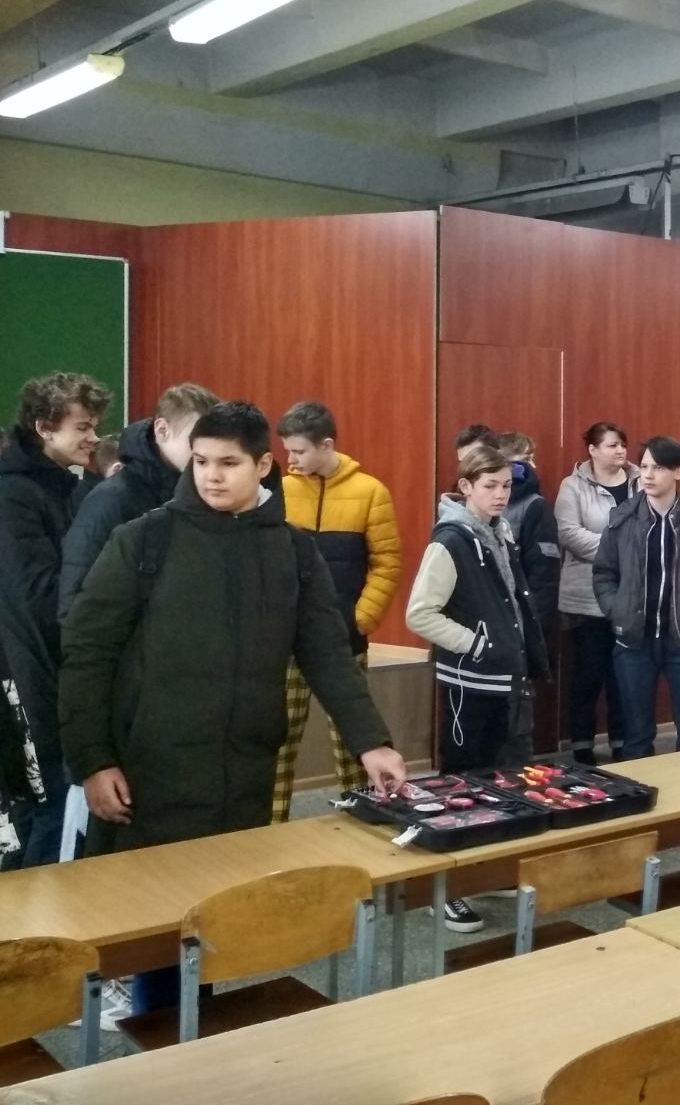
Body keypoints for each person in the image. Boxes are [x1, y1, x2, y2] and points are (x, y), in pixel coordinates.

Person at [57, 401, 407, 1011]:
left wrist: (371, 741)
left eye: (228, 463)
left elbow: (326, 652)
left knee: (209, 929)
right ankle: (159, 1046)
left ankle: (193, 1044)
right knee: (157, 940)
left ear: (263, 465)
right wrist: (93, 760)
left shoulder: (293, 551)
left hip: (244, 777)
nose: (211, 476)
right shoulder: (143, 541)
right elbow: (87, 654)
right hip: (151, 778)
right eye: (200, 462)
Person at [406, 443, 549, 933]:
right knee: (460, 787)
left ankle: (483, 872)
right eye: (490, 485)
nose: (500, 494)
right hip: (470, 682)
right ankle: (444, 889)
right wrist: (476, 645)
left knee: (499, 781)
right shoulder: (451, 540)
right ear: (466, 486)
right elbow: (420, 613)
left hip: (505, 679)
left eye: (506, 485)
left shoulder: (499, 532)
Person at [0, 371, 111, 868]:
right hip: (27, 674)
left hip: (52, 667)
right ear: (44, 428)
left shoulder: (62, 485)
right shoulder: (14, 495)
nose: (93, 438)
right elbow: (38, 597)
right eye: (82, 427)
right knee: (47, 804)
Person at [273, 401, 403, 821]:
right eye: (288, 451)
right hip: (286, 642)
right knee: (278, 743)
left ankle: (363, 820)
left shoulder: (371, 492)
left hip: (344, 640)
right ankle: (268, 828)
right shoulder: (279, 491)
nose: (290, 460)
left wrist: (359, 620)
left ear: (326, 445)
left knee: (355, 742)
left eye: (298, 451)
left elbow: (387, 564)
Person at [594, 436, 680, 760]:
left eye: (659, 467)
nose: (649, 475)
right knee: (636, 734)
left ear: (678, 471)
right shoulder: (622, 519)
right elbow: (603, 573)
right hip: (633, 641)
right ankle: (639, 792)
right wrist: (616, 610)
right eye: (644, 467)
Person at [60, 384, 219, 623]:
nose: (206, 452)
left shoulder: (202, 494)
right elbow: (76, 603)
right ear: (162, 430)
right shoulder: (111, 500)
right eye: (196, 440)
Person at [554, 422, 639, 764]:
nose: (620, 451)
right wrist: (617, 548)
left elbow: (650, 528)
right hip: (585, 596)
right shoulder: (573, 486)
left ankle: (622, 741)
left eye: (623, 445)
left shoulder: (638, 481)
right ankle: (581, 745)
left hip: (630, 593)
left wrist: (624, 550)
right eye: (612, 445)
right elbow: (569, 533)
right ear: (592, 450)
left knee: (624, 674)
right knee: (588, 673)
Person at [498, 431, 561, 765]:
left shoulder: (535, 507)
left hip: (521, 627)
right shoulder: (476, 505)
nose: (532, 466)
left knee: (517, 722)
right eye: (526, 459)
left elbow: (544, 577)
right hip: (487, 628)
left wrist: (533, 629)